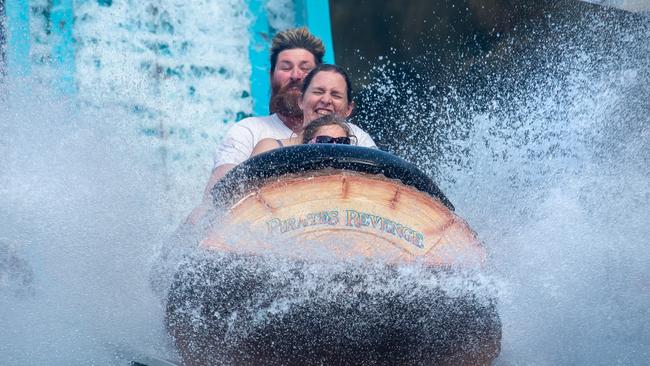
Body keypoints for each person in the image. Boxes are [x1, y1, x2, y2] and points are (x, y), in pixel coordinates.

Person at [201, 28, 375, 200]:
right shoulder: (250, 131)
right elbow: (217, 197)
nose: (296, 75)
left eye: (305, 69)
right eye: (286, 67)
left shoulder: (356, 137)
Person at [250, 64, 360, 156]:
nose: (326, 100)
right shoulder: (270, 149)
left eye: (336, 95)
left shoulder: (362, 149)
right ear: (301, 101)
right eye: (318, 92)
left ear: (349, 109)